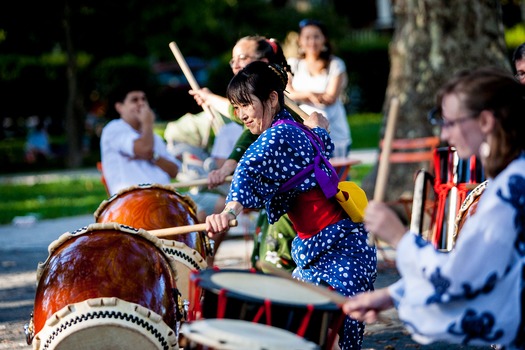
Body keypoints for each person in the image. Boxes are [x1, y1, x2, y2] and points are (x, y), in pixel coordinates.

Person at [342, 67, 525, 349]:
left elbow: (457, 279)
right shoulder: (513, 176)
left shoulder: (510, 189)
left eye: (451, 123)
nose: (444, 134)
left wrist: (399, 237)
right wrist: (394, 295)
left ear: (486, 121)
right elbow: (478, 267)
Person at [205, 61, 377, 349]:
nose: (241, 115)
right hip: (333, 249)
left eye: (246, 104)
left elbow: (249, 168)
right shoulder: (297, 129)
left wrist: (228, 211)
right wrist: (319, 126)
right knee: (319, 334)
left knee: (326, 335)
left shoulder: (279, 135)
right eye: (237, 107)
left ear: (272, 98)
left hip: (340, 253)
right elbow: (318, 144)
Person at [99, 82, 225, 222]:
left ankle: (206, 245)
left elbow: (174, 170)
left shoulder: (154, 138)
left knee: (221, 207)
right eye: (134, 100)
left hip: (166, 195)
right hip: (134, 201)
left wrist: (153, 156)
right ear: (119, 107)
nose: (141, 103)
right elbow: (144, 148)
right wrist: (147, 123)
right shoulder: (113, 129)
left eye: (143, 99)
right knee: (197, 214)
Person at [286, 19, 352, 158]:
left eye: (316, 36)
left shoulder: (335, 64)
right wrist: (310, 94)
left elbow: (330, 98)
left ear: (324, 39)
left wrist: (299, 94)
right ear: (300, 40)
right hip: (304, 132)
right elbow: (286, 94)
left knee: (337, 177)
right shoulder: (293, 64)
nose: (312, 42)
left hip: (334, 132)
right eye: (307, 37)